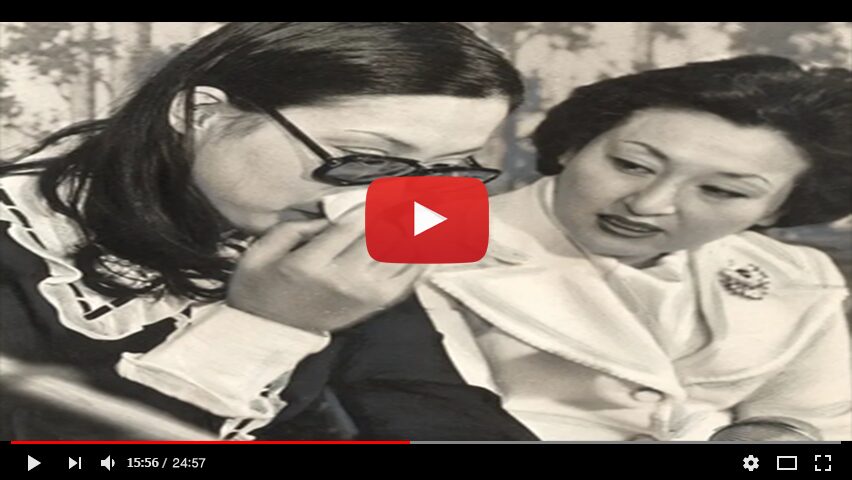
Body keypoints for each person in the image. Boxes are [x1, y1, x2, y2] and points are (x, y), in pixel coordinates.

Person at [0, 22, 534, 440]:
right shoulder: (24, 244)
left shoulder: (321, 226)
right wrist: (265, 327)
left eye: (449, 168)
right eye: (365, 158)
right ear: (199, 113)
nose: (396, 200)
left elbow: (422, 399)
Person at [331, 55, 852, 440]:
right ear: (573, 145)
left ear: (777, 210)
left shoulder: (792, 272)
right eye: (631, 164)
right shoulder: (414, 227)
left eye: (721, 191)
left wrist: (775, 437)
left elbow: (821, 426)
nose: (648, 204)